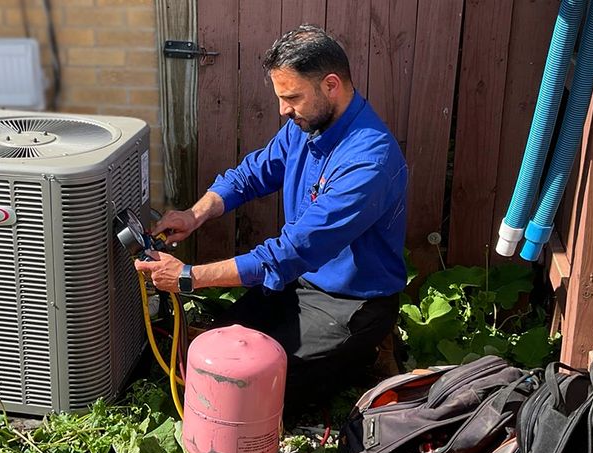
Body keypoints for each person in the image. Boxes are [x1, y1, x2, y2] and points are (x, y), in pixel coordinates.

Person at [134, 25, 408, 409]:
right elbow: (250, 175)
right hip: (298, 284)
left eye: (292, 97)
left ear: (331, 85)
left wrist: (188, 277)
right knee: (219, 352)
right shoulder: (308, 125)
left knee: (252, 389)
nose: (283, 110)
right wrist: (194, 215)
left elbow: (289, 252)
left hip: (350, 302)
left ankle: (363, 354)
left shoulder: (368, 161)